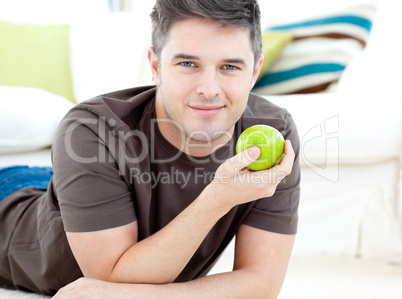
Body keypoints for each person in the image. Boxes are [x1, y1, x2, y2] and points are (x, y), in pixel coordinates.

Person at [0, 0, 300, 298]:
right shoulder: (90, 130)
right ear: (155, 66)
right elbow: (112, 276)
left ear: (254, 71)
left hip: (84, 184)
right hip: (12, 196)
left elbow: (261, 284)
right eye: (187, 64)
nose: (209, 90)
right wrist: (218, 197)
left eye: (230, 66)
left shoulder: (273, 133)